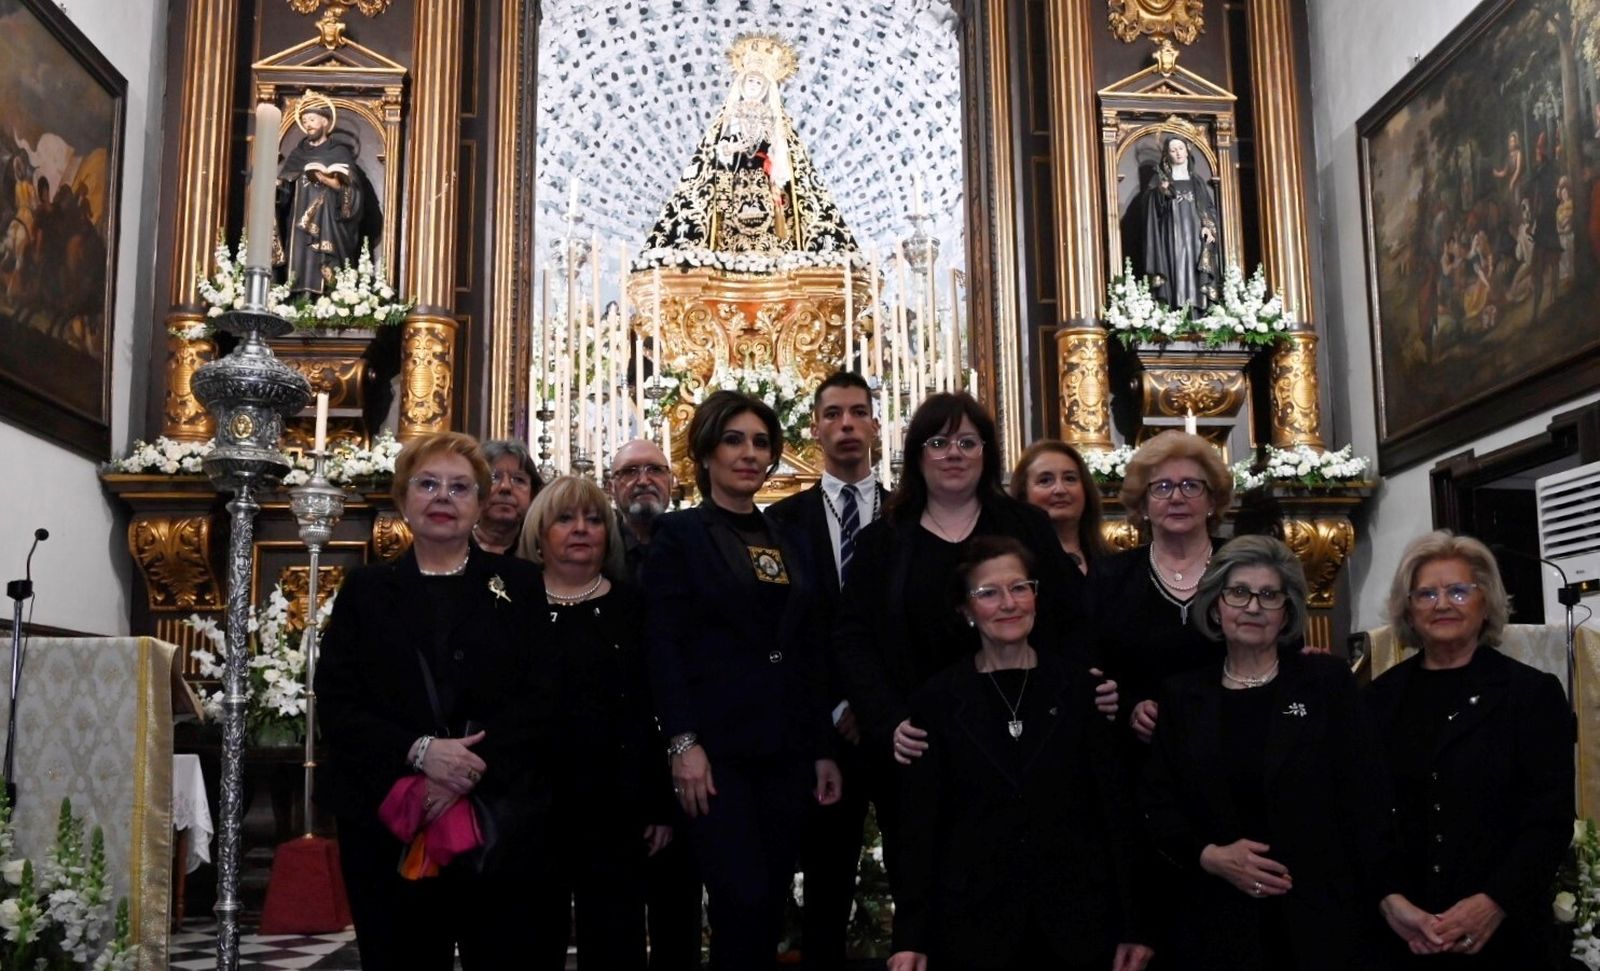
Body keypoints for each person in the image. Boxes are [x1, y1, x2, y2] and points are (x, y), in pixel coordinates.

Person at [833, 393, 1094, 884]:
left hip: (1023, 735)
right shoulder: (883, 539)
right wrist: (887, 719)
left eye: (967, 442)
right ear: (917, 455)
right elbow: (853, 639)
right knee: (928, 878)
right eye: (938, 442)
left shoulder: (1025, 525)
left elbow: (1072, 616)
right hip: (920, 741)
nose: (953, 453)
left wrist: (1076, 689)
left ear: (986, 453)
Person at [315, 432, 550, 970]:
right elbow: (338, 703)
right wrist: (420, 754)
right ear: (404, 499)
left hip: (497, 818)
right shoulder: (365, 591)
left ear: (479, 504)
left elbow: (540, 697)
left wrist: (462, 771)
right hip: (389, 819)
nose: (443, 496)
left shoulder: (519, 584)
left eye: (459, 487)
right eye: (428, 484)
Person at [643, 390, 842, 970]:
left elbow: (806, 648)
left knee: (770, 905)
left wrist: (822, 748)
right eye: (733, 441)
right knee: (741, 900)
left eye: (760, 442)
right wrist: (683, 742)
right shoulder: (679, 535)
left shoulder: (788, 535)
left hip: (785, 750)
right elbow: (662, 647)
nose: (749, 454)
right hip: (716, 753)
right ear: (706, 453)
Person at [889, 536, 1152, 971]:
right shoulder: (936, 701)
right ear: (965, 610)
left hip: (1081, 924)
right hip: (972, 928)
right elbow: (920, 827)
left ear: (1036, 598)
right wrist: (909, 937)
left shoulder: (1085, 692)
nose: (1008, 603)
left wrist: (1135, 925)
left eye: (1019, 588)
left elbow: (1115, 812)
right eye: (988, 593)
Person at [1140, 535, 1392, 970]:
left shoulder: (1326, 682)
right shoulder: (1182, 695)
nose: (1253, 607)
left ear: (1287, 612)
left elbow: (1365, 792)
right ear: (1216, 607)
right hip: (1216, 919)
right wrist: (1209, 856)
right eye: (1239, 593)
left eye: (1269, 595)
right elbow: (1158, 803)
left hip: (1319, 917)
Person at [1367, 531, 1572, 967]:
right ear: (1408, 608)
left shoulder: (1531, 694)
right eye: (1426, 594)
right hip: (1403, 934)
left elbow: (1550, 818)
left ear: (1486, 602)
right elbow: (1362, 815)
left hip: (1505, 933)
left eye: (1459, 591)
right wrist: (1389, 900)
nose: (1442, 604)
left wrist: (1493, 903)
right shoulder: (1377, 699)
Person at [516, 476, 673, 970]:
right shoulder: (509, 607)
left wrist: (659, 804)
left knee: (616, 943)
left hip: (616, 807)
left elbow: (653, 710)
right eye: (564, 519)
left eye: (593, 519)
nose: (581, 529)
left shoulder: (634, 607)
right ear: (539, 534)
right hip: (531, 807)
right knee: (529, 943)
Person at [767, 372, 888, 971]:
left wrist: (874, 705)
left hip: (896, 721)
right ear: (814, 427)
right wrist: (836, 707)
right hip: (822, 729)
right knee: (825, 881)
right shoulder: (782, 522)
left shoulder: (908, 513)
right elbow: (788, 634)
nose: (846, 425)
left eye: (858, 412)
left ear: (875, 425)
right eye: (834, 414)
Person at [1093, 431, 1234, 752]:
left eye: (1191, 485)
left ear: (1212, 501)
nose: (1177, 497)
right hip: (1138, 750)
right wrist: (1131, 707)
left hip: (1232, 737)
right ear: (1143, 504)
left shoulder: (1242, 566)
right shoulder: (1111, 576)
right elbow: (1096, 664)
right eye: (1162, 487)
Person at [276, 91, 365, 298]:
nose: (308, 125)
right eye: (305, 121)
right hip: (299, 220)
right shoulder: (298, 154)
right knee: (300, 257)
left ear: (325, 122)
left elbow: (353, 192)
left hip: (328, 222)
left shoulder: (339, 152)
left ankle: (328, 298)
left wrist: (330, 182)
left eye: (312, 120)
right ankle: (297, 297)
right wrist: (279, 187)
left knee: (326, 263)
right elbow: (285, 190)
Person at [1142, 135, 1219, 311]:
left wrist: (1208, 227)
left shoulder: (1197, 181)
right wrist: (1160, 192)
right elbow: (1150, 210)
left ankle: (1198, 310)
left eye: (1181, 148)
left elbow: (1208, 208)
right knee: (1175, 269)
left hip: (1195, 236)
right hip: (1171, 235)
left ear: (1187, 151)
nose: (1178, 153)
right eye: (1173, 150)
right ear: (1167, 154)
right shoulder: (1160, 180)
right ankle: (1174, 309)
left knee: (1195, 270)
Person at [1010, 439, 1110, 574]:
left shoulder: (1111, 558)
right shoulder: (1012, 564)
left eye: (1069, 479)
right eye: (1045, 480)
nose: (1060, 490)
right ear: (1023, 494)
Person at [610, 438, 676, 584]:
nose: (643, 481)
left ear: (671, 482)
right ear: (612, 488)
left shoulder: (695, 545)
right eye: (629, 471)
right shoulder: (598, 550)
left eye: (655, 469)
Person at [474, 439, 543, 555]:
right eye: (493, 477)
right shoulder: (453, 544)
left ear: (533, 495)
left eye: (518, 480)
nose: (505, 486)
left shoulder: (543, 553)